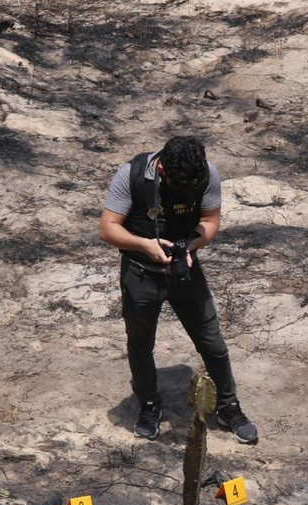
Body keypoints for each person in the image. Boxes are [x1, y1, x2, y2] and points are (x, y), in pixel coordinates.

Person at [99, 136, 259, 444]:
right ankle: (148, 405)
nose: (184, 192)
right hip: (140, 272)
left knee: (212, 342)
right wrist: (146, 245)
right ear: (161, 169)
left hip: (185, 270)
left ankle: (228, 406)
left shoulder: (207, 173)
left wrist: (192, 245)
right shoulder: (131, 175)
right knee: (140, 344)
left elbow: (210, 221)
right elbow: (108, 228)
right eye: (177, 187)